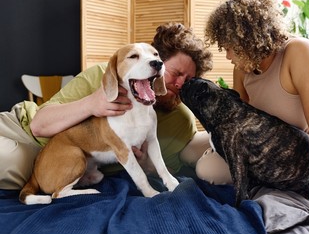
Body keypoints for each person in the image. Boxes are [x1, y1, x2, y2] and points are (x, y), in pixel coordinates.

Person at [200, 0, 309, 228]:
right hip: (262, 149)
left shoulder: (299, 53)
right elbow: (241, 123)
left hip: (302, 148)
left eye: (228, 47)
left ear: (246, 38)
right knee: (188, 150)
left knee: (207, 170)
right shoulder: (242, 70)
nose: (228, 56)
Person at [0, 22, 212, 190]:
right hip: (25, 132)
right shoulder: (106, 75)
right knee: (15, 162)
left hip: (76, 168)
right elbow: (39, 125)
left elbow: (182, 158)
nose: (180, 84)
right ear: (157, 65)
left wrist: (148, 166)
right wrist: (92, 104)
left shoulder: (181, 118)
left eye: (189, 79)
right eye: (176, 73)